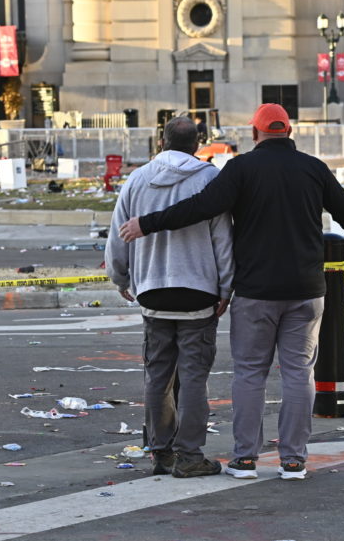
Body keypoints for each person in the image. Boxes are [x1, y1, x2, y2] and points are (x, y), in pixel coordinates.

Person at [119, 103, 344, 481]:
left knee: (250, 373)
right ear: (289, 132)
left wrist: (146, 224)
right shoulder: (313, 168)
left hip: (255, 292)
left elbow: (200, 209)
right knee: (300, 372)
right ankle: (293, 460)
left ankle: (246, 458)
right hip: (306, 290)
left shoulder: (241, 169)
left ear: (255, 134)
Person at [105, 116, 234, 478]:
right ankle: (190, 455)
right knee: (194, 377)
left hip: (152, 290)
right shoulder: (209, 179)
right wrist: (226, 288)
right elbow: (222, 240)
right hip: (198, 290)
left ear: (161, 142)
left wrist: (121, 276)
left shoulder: (138, 179)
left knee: (157, 375)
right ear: (197, 144)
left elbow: (118, 235)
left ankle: (160, 452)